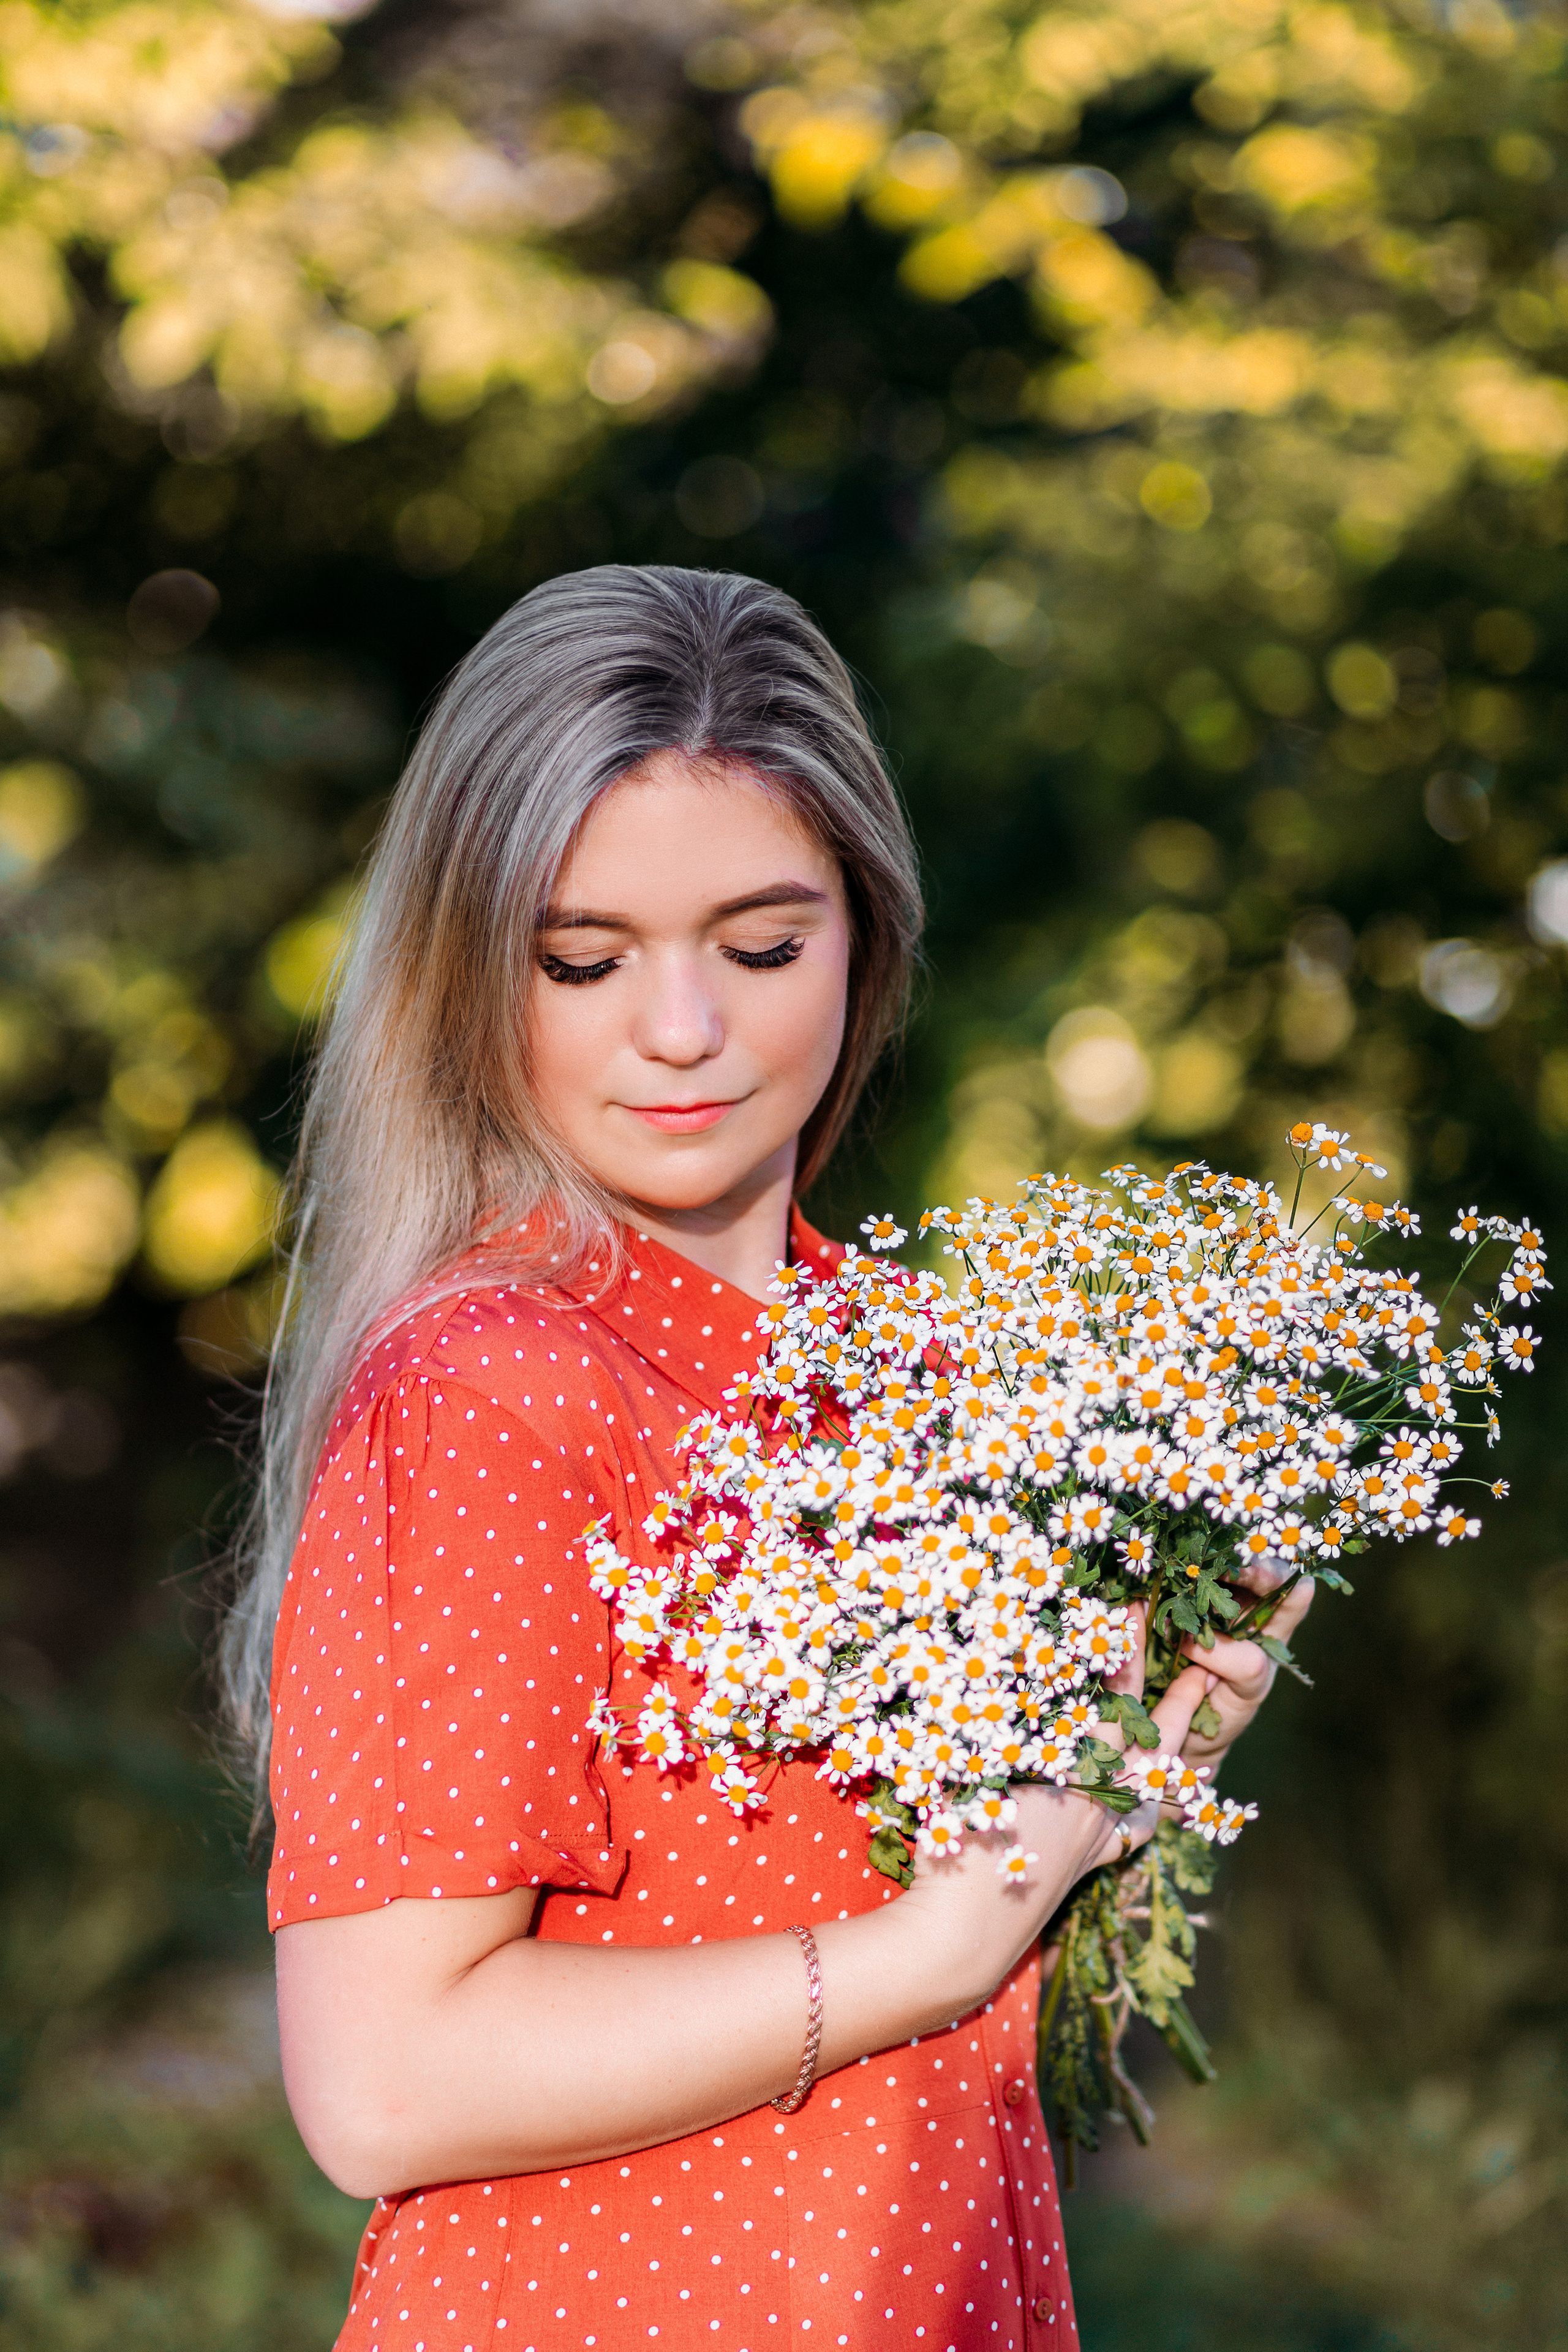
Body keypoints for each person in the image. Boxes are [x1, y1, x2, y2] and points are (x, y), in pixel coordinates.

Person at [221, 565, 1310, 2351]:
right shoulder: (494, 1391)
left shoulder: (911, 1368)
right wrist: (935, 1946)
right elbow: (383, 2081)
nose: (681, 1031)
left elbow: (956, 2027)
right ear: (471, 974)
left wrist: (1120, 1791)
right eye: (583, 959)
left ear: (865, 936)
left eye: (760, 946)